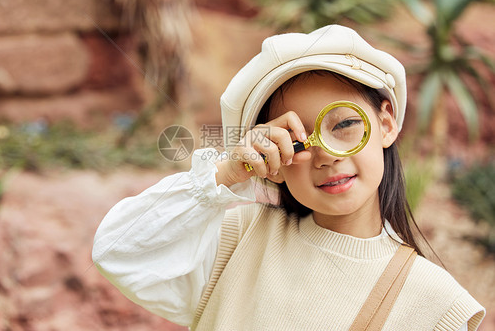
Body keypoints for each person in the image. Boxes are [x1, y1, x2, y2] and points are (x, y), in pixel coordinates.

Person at [92, 25, 485, 330]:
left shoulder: (437, 304)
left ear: (385, 123)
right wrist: (229, 172)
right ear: (272, 160)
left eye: (345, 124)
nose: (327, 156)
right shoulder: (237, 238)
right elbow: (118, 252)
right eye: (296, 142)